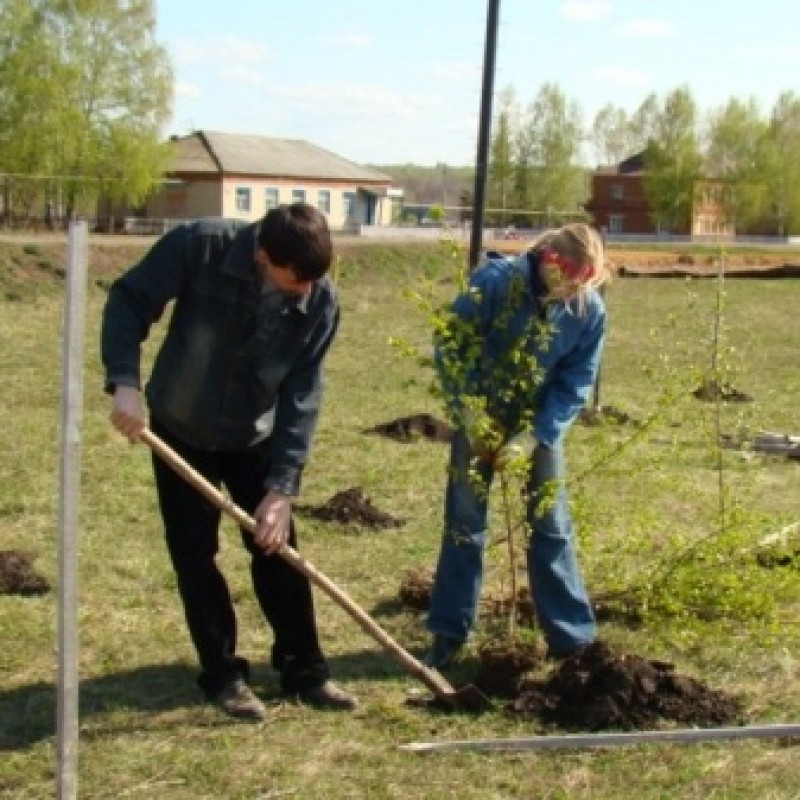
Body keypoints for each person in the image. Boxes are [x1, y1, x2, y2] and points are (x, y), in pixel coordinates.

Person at [101, 203, 358, 720]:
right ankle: (223, 675)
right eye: (295, 282)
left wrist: (282, 488)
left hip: (253, 435)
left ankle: (304, 670)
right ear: (263, 255)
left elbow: (302, 394)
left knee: (278, 549)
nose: (306, 292)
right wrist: (124, 382)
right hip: (181, 426)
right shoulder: (199, 246)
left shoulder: (319, 300)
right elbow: (129, 299)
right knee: (195, 555)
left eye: (313, 282)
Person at [425, 222, 609, 669]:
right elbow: (451, 343)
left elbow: (576, 382)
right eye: (565, 282)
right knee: (465, 522)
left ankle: (571, 638)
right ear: (548, 260)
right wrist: (471, 413)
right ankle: (449, 633)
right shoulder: (495, 284)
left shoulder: (588, 310)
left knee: (551, 523)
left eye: (579, 286)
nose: (569, 294)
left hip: (538, 422)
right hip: (480, 413)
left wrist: (536, 435)